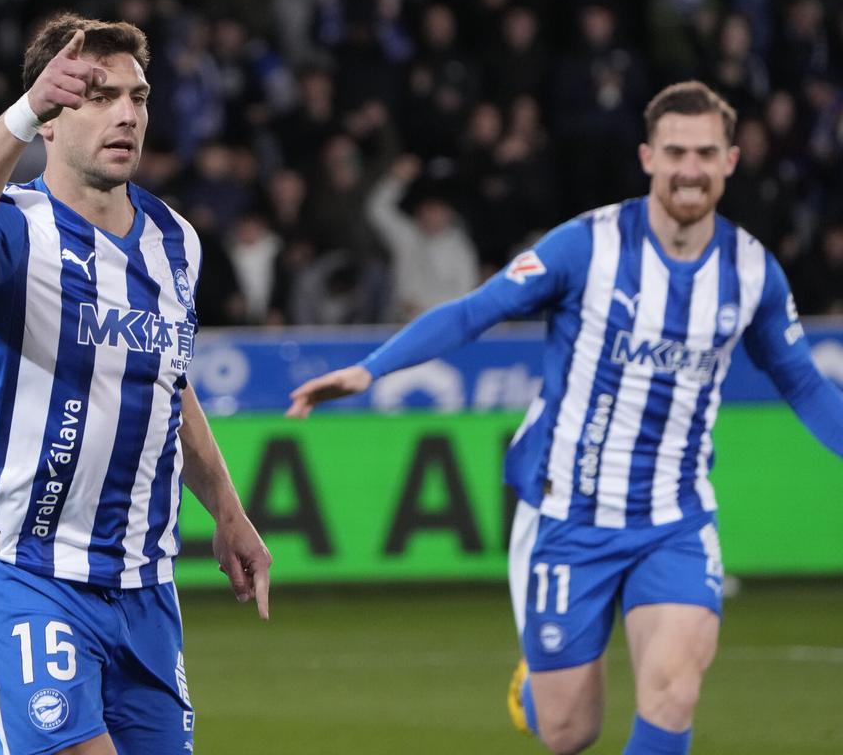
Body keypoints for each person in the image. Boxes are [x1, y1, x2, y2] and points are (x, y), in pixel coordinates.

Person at [286, 81, 843, 755]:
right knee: (568, 733)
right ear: (648, 157)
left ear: (729, 160)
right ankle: (539, 687)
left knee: (673, 690)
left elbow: (805, 385)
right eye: (675, 152)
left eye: (705, 152)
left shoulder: (753, 271)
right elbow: (476, 310)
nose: (690, 168)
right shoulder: (588, 246)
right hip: (571, 515)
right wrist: (370, 368)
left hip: (675, 518)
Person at [0, 12, 272, 755]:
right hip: (26, 562)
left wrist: (228, 510)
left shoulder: (177, 242)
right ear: (53, 119)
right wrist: (23, 107)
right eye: (98, 96)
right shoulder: (12, 230)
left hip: (141, 575)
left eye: (137, 95)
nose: (127, 113)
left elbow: (170, 380)